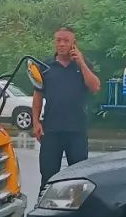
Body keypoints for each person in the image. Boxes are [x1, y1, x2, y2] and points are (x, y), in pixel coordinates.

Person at [33, 27, 101, 193]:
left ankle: (76, 208)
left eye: (66, 40)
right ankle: (43, 205)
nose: (62, 44)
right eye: (58, 40)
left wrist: (81, 62)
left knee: (78, 177)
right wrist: (35, 122)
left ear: (73, 43)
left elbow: (95, 87)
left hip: (77, 131)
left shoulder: (83, 65)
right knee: (48, 176)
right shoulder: (45, 66)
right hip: (51, 130)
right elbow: (37, 96)